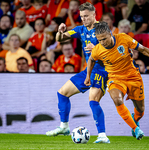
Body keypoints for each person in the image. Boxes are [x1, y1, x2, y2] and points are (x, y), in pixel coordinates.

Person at [84, 21, 149, 140]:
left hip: (133, 77)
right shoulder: (98, 49)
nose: (102, 42)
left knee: (140, 110)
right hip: (115, 78)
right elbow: (91, 60)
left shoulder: (123, 38)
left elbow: (143, 50)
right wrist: (88, 76)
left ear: (110, 33)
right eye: (99, 40)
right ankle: (135, 129)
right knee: (117, 99)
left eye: (104, 39)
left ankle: (135, 118)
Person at [46, 2, 110, 143]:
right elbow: (60, 39)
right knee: (62, 93)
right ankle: (64, 127)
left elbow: (111, 49)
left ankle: (102, 135)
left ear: (94, 15)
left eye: (86, 16)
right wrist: (60, 31)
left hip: (102, 71)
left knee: (93, 100)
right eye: (82, 16)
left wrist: (97, 48)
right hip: (88, 70)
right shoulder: (81, 29)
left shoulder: (102, 29)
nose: (84, 19)